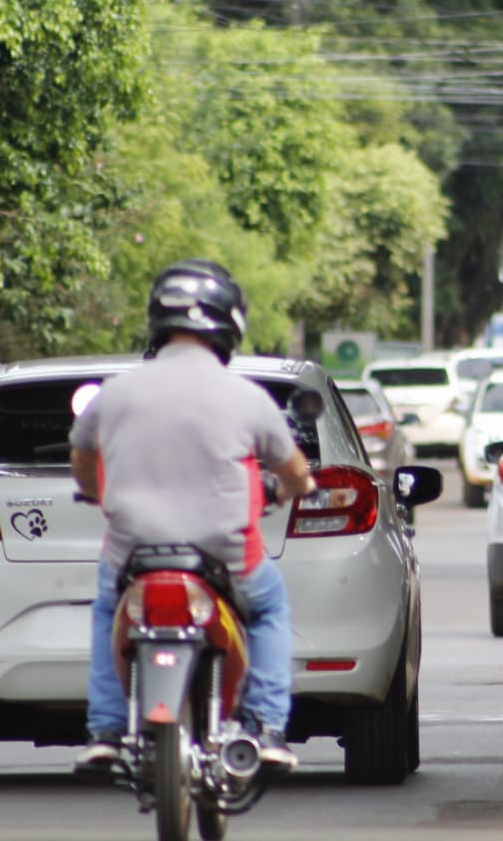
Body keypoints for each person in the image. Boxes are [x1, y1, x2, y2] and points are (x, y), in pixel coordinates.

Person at [70, 259, 315, 772]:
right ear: (229, 322)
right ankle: (266, 726)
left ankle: (108, 729)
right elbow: (291, 468)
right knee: (270, 607)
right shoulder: (247, 396)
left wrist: (93, 492)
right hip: (226, 552)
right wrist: (295, 487)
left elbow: (82, 452)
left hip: (133, 550)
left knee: (104, 609)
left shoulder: (116, 392)